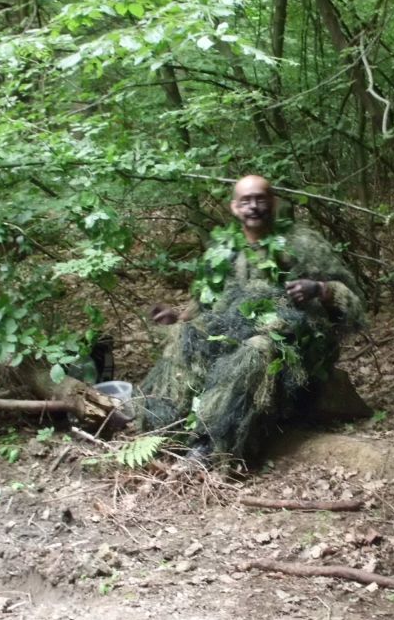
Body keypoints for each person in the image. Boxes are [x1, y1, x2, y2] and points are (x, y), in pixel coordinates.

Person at [140, 174, 365, 462]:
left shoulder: (304, 244)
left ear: (274, 202)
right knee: (186, 336)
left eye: (260, 199)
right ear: (235, 207)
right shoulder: (224, 251)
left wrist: (320, 289)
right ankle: (163, 427)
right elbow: (205, 304)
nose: (254, 207)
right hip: (233, 334)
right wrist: (178, 317)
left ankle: (214, 443)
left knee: (256, 349)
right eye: (246, 201)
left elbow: (353, 302)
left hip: (295, 346)